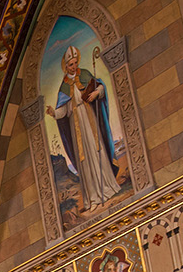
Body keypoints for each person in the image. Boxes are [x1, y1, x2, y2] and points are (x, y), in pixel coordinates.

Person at [46, 45, 124, 211]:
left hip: (90, 120)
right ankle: (94, 198)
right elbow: (64, 110)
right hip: (77, 127)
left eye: (75, 63)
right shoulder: (64, 86)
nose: (74, 67)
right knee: (85, 160)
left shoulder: (85, 74)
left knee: (98, 152)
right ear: (65, 67)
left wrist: (96, 93)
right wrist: (54, 113)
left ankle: (108, 187)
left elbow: (100, 87)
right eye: (70, 65)